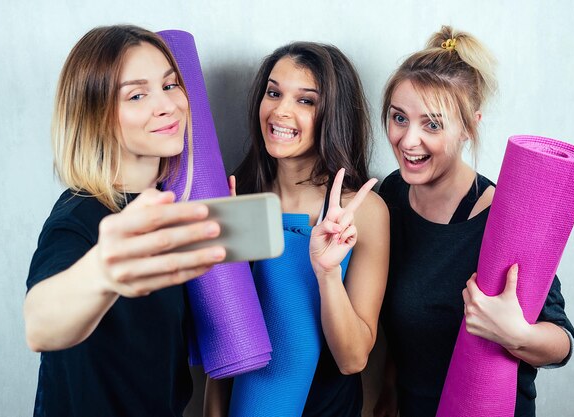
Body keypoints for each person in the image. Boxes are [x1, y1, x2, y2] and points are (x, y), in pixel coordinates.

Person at [23, 25, 228, 417]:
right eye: (137, 94)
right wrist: (104, 271)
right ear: (95, 116)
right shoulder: (81, 216)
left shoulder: (169, 207)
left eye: (170, 86)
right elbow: (39, 324)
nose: (167, 105)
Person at [373, 26, 574, 417]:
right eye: (399, 118)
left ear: (470, 126)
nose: (408, 140)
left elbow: (562, 343)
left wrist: (516, 334)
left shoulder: (503, 218)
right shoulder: (393, 194)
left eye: (432, 124)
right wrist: (387, 391)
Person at [205, 42, 390, 417]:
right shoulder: (239, 194)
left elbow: (353, 359)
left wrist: (327, 275)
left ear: (332, 115)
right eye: (274, 93)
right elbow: (225, 338)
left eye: (306, 101)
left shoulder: (364, 211)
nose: (280, 110)